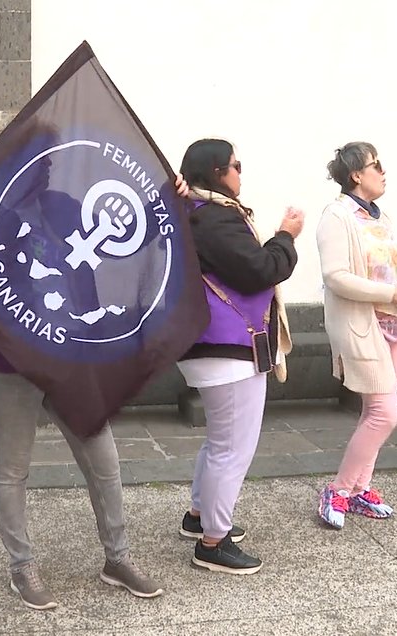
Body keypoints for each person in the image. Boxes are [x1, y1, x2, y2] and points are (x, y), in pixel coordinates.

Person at [0, 113, 185, 610]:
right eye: (39, 158)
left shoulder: (60, 206)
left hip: (69, 358)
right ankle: (22, 567)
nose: (49, 166)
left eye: (49, 158)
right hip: (7, 364)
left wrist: (164, 200)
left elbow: (120, 236)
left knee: (103, 462)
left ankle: (117, 558)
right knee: (12, 469)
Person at [175, 139, 302, 573]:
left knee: (220, 442)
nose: (240, 173)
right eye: (236, 165)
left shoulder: (192, 213)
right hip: (228, 346)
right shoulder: (214, 217)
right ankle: (213, 542)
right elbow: (260, 270)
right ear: (217, 173)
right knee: (233, 449)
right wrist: (285, 236)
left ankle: (200, 516)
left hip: (211, 345)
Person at [315, 141, 397, 529]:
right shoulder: (337, 215)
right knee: (385, 413)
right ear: (356, 175)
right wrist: (392, 293)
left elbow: (385, 270)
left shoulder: (381, 217)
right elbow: (336, 277)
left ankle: (360, 488)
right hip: (365, 327)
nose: (383, 172)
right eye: (376, 165)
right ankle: (338, 489)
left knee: (374, 412)